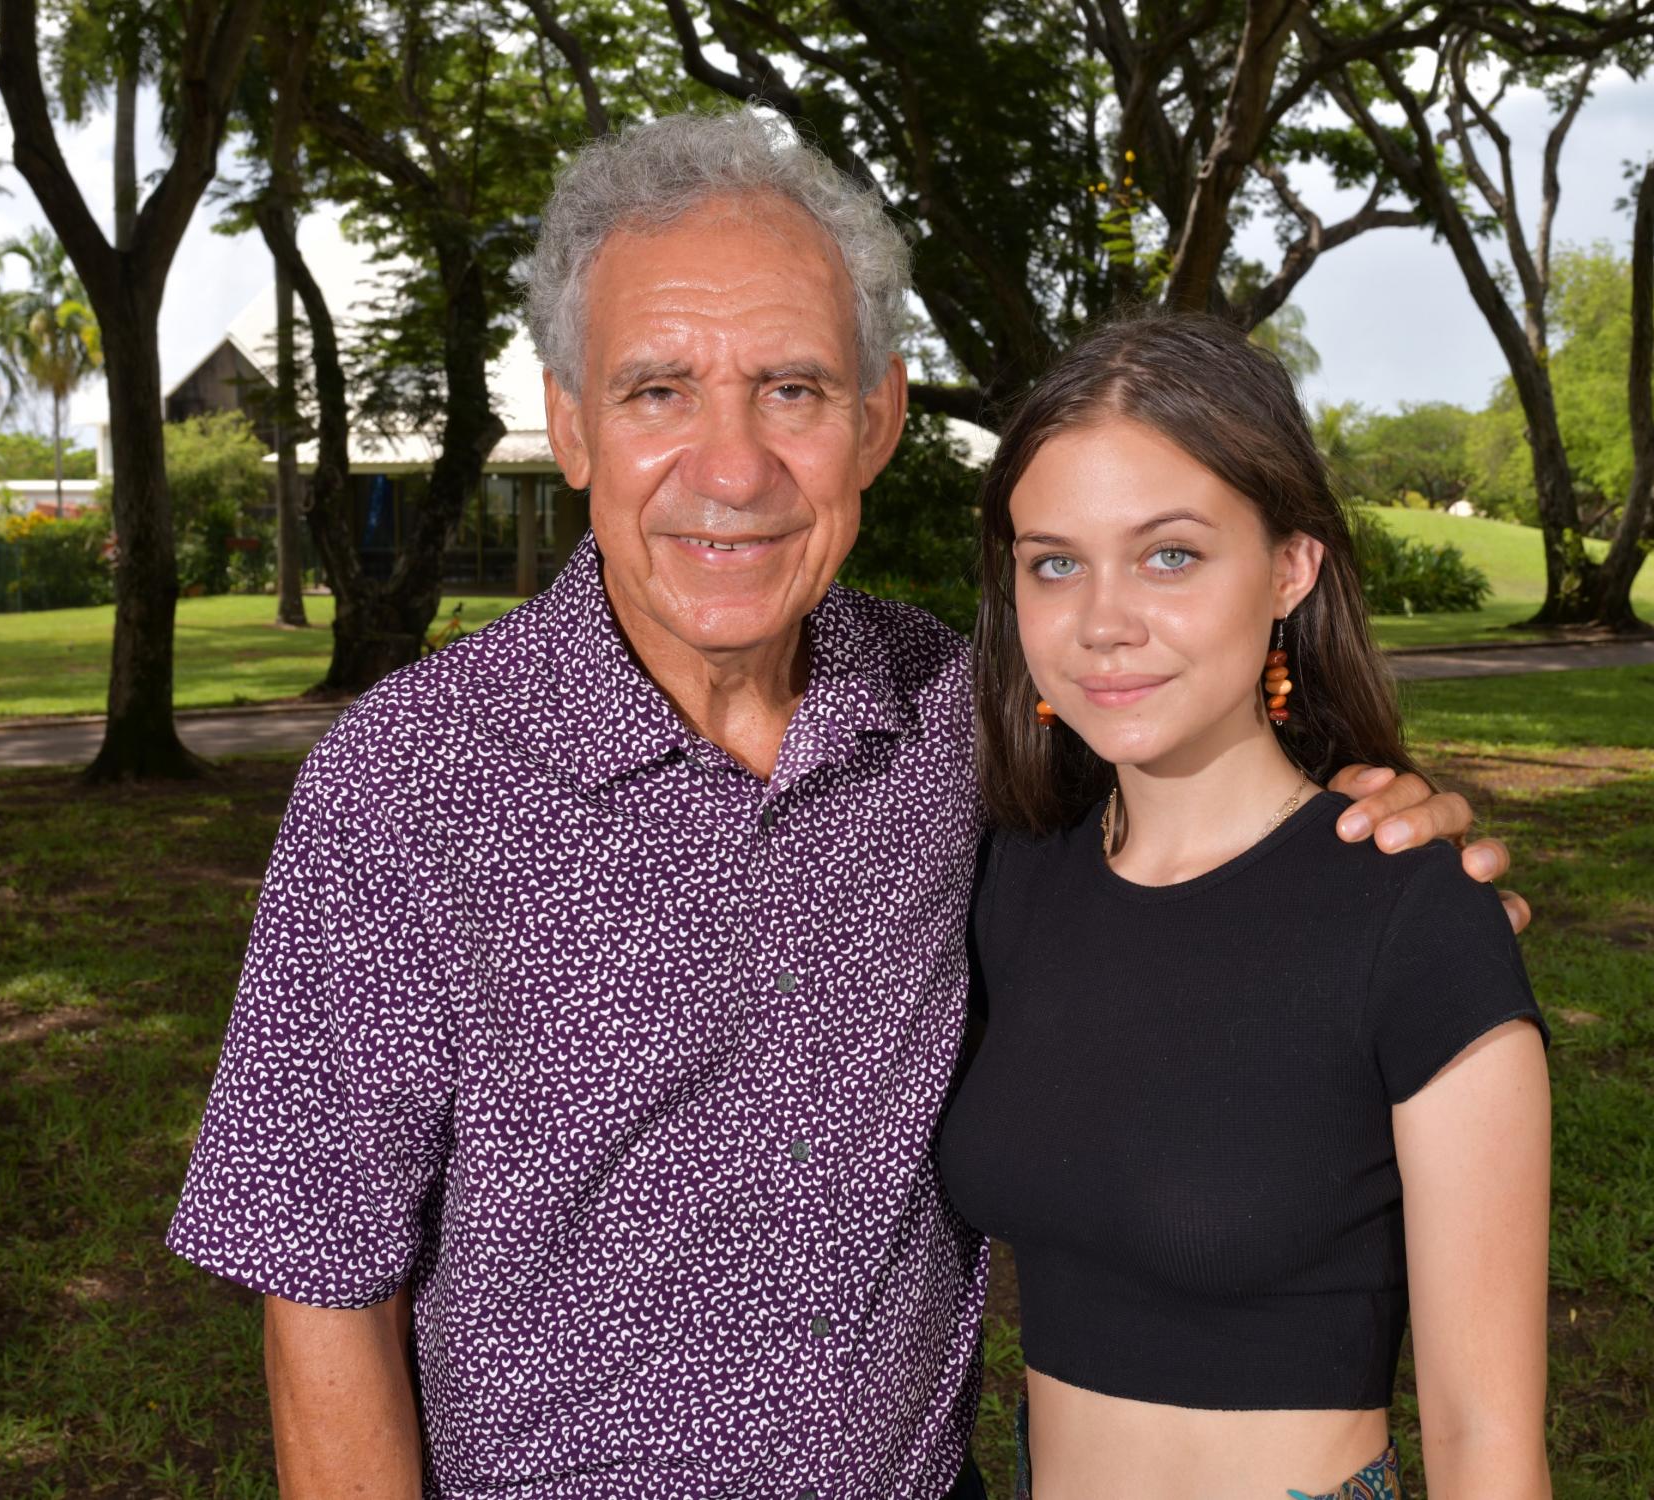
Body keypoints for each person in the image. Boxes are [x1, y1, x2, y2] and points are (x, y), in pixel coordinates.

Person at [165, 110, 1524, 1499]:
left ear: (877, 419)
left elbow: (1199, 819)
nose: (733, 467)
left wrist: (1384, 838)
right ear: (570, 424)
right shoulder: (405, 788)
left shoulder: (959, 720)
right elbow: (319, 1284)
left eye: (793, 389)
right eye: (656, 393)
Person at [937, 313, 1553, 1500]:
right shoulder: (1012, 878)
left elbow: (1486, 1440)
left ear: (1290, 567)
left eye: (1170, 554)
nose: (1104, 619)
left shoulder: (1412, 913)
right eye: (1053, 561)